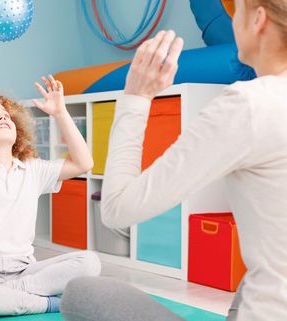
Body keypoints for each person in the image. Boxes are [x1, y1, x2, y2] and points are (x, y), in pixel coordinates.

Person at [61, 0, 287, 320]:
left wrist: (136, 97)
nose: (233, 24)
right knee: (250, 283)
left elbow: (116, 209)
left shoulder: (249, 104)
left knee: (83, 293)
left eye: (237, 13)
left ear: (258, 19)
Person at [0, 73, 101, 317]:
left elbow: (83, 163)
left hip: (24, 270)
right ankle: (44, 303)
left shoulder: (32, 169)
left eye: (5, 115)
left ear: (17, 130)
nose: (1, 117)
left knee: (89, 263)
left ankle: (3, 296)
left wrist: (60, 113)